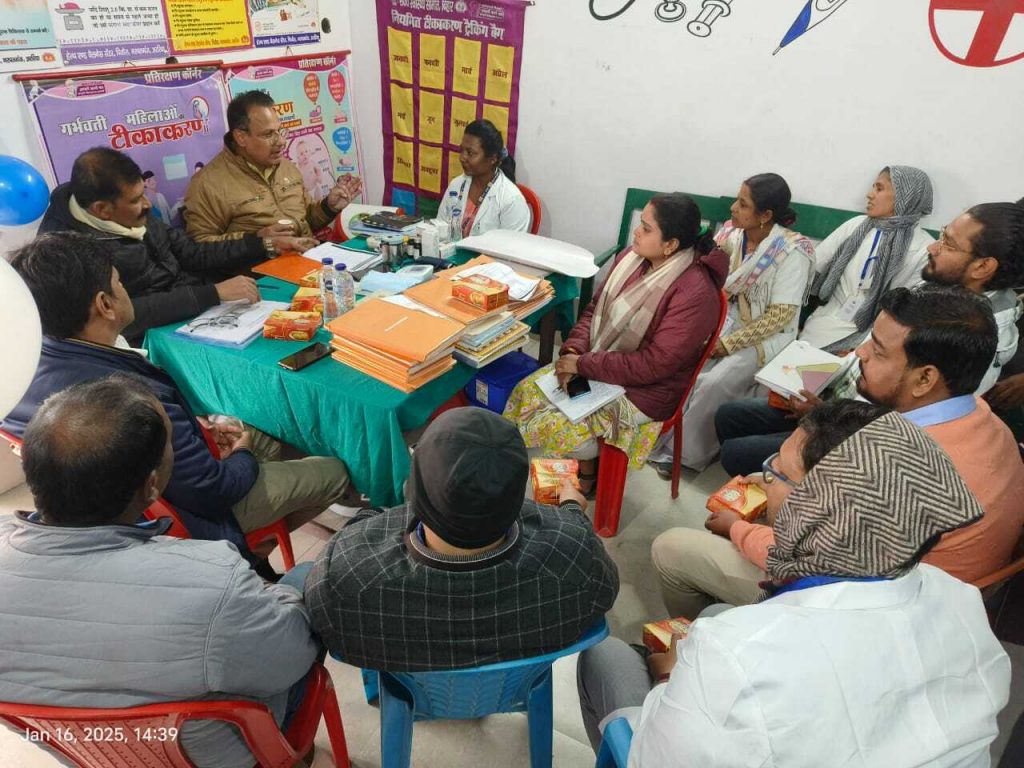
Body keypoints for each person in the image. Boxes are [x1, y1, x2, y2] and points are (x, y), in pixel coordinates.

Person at [577, 402, 1009, 767]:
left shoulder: (734, 654)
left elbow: (655, 758)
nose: (762, 481)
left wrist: (671, 675)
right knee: (714, 613)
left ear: (817, 509)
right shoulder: (959, 599)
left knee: (605, 655)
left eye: (777, 473)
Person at [0, 376, 320, 768]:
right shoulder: (211, 580)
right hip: (216, 756)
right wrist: (278, 595)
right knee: (309, 577)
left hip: (93, 754)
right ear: (152, 485)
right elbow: (292, 658)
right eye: (172, 447)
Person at [653, 285, 1024, 615]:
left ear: (925, 378)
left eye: (878, 350)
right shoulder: (981, 415)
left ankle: (710, 639)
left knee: (671, 549)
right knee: (759, 480)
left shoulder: (895, 465)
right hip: (937, 587)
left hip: (882, 609)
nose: (861, 352)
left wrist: (739, 530)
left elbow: (817, 564)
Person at [2, 233, 353, 574]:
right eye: (120, 283)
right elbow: (212, 489)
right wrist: (243, 455)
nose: (126, 291)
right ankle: (246, 554)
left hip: (133, 505)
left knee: (261, 433)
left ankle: (253, 550)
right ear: (104, 305)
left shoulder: (22, 372)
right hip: (192, 517)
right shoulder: (131, 397)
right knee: (336, 471)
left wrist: (198, 433)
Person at [716, 198, 1024, 475]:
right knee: (730, 416)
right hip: (838, 401)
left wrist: (825, 415)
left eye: (949, 243)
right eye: (942, 234)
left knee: (735, 453)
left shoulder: (970, 342)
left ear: (983, 266)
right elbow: (871, 353)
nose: (933, 248)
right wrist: (835, 377)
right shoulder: (939, 291)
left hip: (854, 437)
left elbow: (898, 432)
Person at [304, 407, 618, 671]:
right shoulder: (577, 563)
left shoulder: (343, 581)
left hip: (411, 689)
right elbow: (599, 583)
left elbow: (325, 621)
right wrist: (571, 508)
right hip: (518, 685)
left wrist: (369, 515)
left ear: (417, 487)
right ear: (515, 496)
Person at [503, 194, 728, 494]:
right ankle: (587, 468)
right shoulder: (631, 259)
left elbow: (656, 364)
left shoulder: (695, 293)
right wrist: (572, 352)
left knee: (560, 426)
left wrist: (583, 365)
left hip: (647, 390)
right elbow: (594, 310)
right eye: (640, 224)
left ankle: (582, 479)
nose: (636, 232)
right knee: (527, 392)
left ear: (670, 245)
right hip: (601, 365)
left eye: (646, 228)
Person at [647, 173, 815, 475]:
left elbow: (780, 316)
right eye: (737, 200)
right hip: (722, 319)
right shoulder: (730, 235)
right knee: (680, 362)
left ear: (765, 215)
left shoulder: (792, 252)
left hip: (765, 336)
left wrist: (727, 344)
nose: (733, 208)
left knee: (714, 382)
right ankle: (653, 433)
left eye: (743, 204)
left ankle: (683, 454)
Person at [37, 147, 265, 344]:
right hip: (151, 338)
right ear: (102, 209)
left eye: (143, 194)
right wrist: (211, 293)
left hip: (198, 313)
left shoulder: (132, 214)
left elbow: (192, 253)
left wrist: (261, 242)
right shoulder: (66, 253)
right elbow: (119, 315)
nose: (147, 204)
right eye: (136, 200)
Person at [183, 90, 362, 254]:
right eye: (268, 135)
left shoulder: (286, 167)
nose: (281, 142)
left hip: (307, 260)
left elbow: (304, 221)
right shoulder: (208, 183)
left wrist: (329, 207)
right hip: (259, 273)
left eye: (280, 131)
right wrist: (258, 241)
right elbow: (199, 249)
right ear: (241, 137)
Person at [800, 165, 935, 352]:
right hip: (824, 323)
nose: (869, 195)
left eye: (879, 189)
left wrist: (862, 350)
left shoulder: (924, 249)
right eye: (873, 187)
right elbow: (813, 267)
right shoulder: (856, 226)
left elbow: (909, 313)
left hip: (878, 338)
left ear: (905, 197)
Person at [436, 119, 531, 238]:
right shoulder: (456, 185)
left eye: (470, 153)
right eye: (462, 150)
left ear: (492, 158)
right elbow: (439, 228)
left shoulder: (512, 201)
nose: (462, 158)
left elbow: (510, 247)